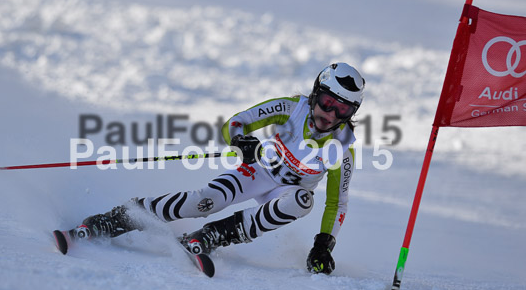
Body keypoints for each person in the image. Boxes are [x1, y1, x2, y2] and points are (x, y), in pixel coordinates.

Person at [60, 62, 364, 275]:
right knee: (202, 201)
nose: (331, 114)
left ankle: (211, 236)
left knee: (302, 202)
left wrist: (324, 245)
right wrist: (241, 140)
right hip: (259, 172)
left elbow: (338, 203)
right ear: (315, 93)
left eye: (343, 110)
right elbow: (235, 122)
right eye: (327, 102)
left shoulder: (341, 149)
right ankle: (111, 220)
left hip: (287, 193)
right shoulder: (291, 108)